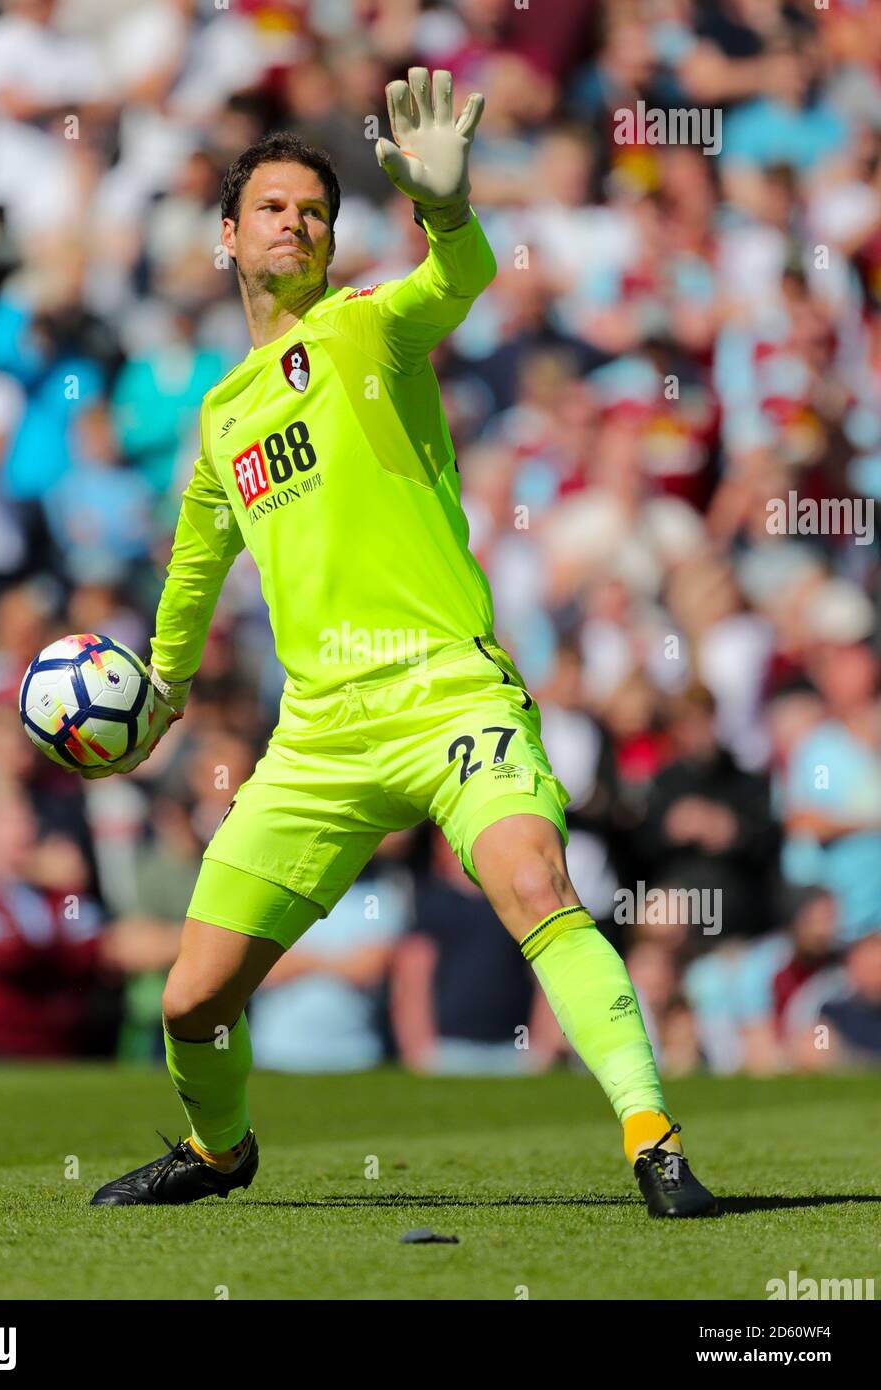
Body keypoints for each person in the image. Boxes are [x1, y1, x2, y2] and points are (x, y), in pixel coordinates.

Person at [86, 69, 716, 1218]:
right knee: (191, 1001)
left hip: (447, 694)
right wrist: (161, 691)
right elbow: (189, 577)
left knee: (531, 878)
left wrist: (446, 206)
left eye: (314, 210)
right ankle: (217, 1149)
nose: (297, 222)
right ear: (226, 236)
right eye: (272, 207)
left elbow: (456, 279)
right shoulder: (220, 418)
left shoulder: (367, 328)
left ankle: (652, 1136)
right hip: (321, 731)